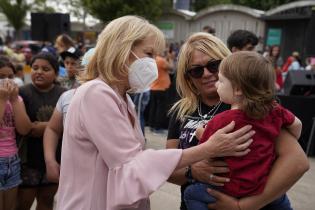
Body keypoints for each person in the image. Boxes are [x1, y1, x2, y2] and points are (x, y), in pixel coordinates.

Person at [56, 16, 254, 210]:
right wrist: (208, 149)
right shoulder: (96, 93)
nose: (154, 62)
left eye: (214, 66)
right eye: (149, 53)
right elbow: (132, 164)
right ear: (121, 49)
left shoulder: (121, 98)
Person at [167, 32, 309, 210]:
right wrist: (192, 171)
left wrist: (243, 206)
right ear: (187, 76)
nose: (207, 74)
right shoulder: (181, 110)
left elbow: (297, 162)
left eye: (214, 65)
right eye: (196, 70)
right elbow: (168, 169)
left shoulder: (251, 105)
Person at [17, 52, 66, 210]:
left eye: (45, 69)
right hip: (28, 158)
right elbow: (24, 128)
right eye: (35, 68)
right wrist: (53, 127)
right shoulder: (22, 93)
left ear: (56, 73)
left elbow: (70, 123)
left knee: (47, 199)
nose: (39, 72)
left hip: (54, 157)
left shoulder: (63, 94)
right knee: (24, 201)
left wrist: (43, 127)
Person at [43, 49, 93, 183]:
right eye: (67, 63)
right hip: (67, 154)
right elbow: (53, 127)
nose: (69, 66)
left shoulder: (116, 98)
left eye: (74, 63)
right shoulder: (63, 89)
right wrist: (50, 160)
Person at [0, 57, 31, 210]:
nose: (6, 81)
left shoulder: (16, 99)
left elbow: (24, 129)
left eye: (10, 77)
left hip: (13, 160)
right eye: (1, 77)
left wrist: (13, 100)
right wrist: (1, 100)